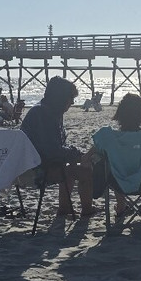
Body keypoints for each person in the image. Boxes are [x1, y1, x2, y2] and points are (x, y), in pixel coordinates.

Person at [20, 76, 96, 217]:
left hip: (30, 166)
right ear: (60, 97)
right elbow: (52, 151)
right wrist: (80, 156)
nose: (72, 102)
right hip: (32, 173)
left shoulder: (47, 110)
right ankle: (86, 210)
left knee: (71, 163)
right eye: (70, 98)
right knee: (85, 172)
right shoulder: (43, 114)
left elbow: (58, 147)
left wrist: (77, 155)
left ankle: (65, 208)